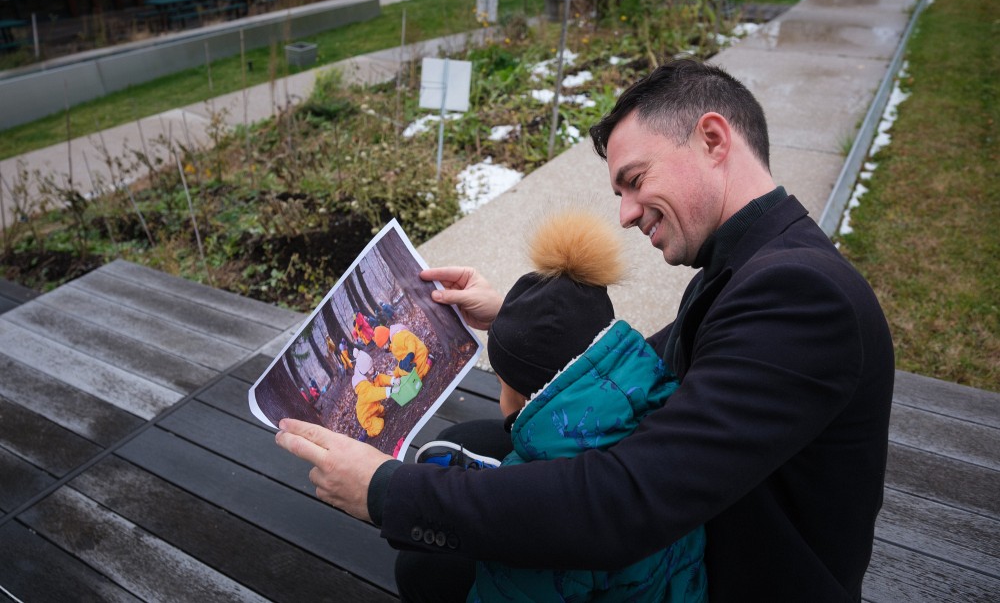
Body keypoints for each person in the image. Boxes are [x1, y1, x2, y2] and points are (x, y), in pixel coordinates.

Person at [276, 59, 895, 602]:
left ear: (712, 139)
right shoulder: (761, 258)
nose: (624, 214)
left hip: (728, 574)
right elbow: (665, 365)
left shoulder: (802, 297)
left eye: (634, 180)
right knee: (476, 437)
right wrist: (509, 315)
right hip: (704, 521)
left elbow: (626, 502)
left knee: (432, 565)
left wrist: (387, 491)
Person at [418, 207, 706, 602]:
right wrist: (514, 320)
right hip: (673, 582)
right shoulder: (647, 395)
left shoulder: (544, 495)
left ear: (521, 402)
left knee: (419, 567)